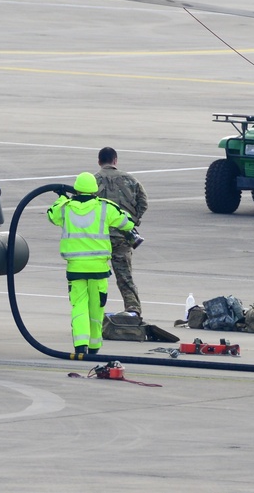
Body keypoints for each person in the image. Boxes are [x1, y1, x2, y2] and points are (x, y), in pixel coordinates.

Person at [48, 171, 136, 356]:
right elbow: (126, 222)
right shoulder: (105, 208)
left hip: (76, 268)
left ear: (77, 189)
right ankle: (95, 348)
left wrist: (62, 197)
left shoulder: (65, 207)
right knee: (97, 308)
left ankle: (80, 346)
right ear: (95, 190)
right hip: (98, 269)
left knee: (79, 306)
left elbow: (52, 215)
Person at [94, 147, 148, 317]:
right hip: (122, 237)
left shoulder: (92, 181)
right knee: (124, 276)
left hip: (98, 238)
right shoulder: (130, 180)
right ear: (115, 160)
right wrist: (132, 221)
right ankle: (133, 310)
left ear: (99, 161)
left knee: (95, 277)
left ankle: (94, 310)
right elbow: (143, 202)